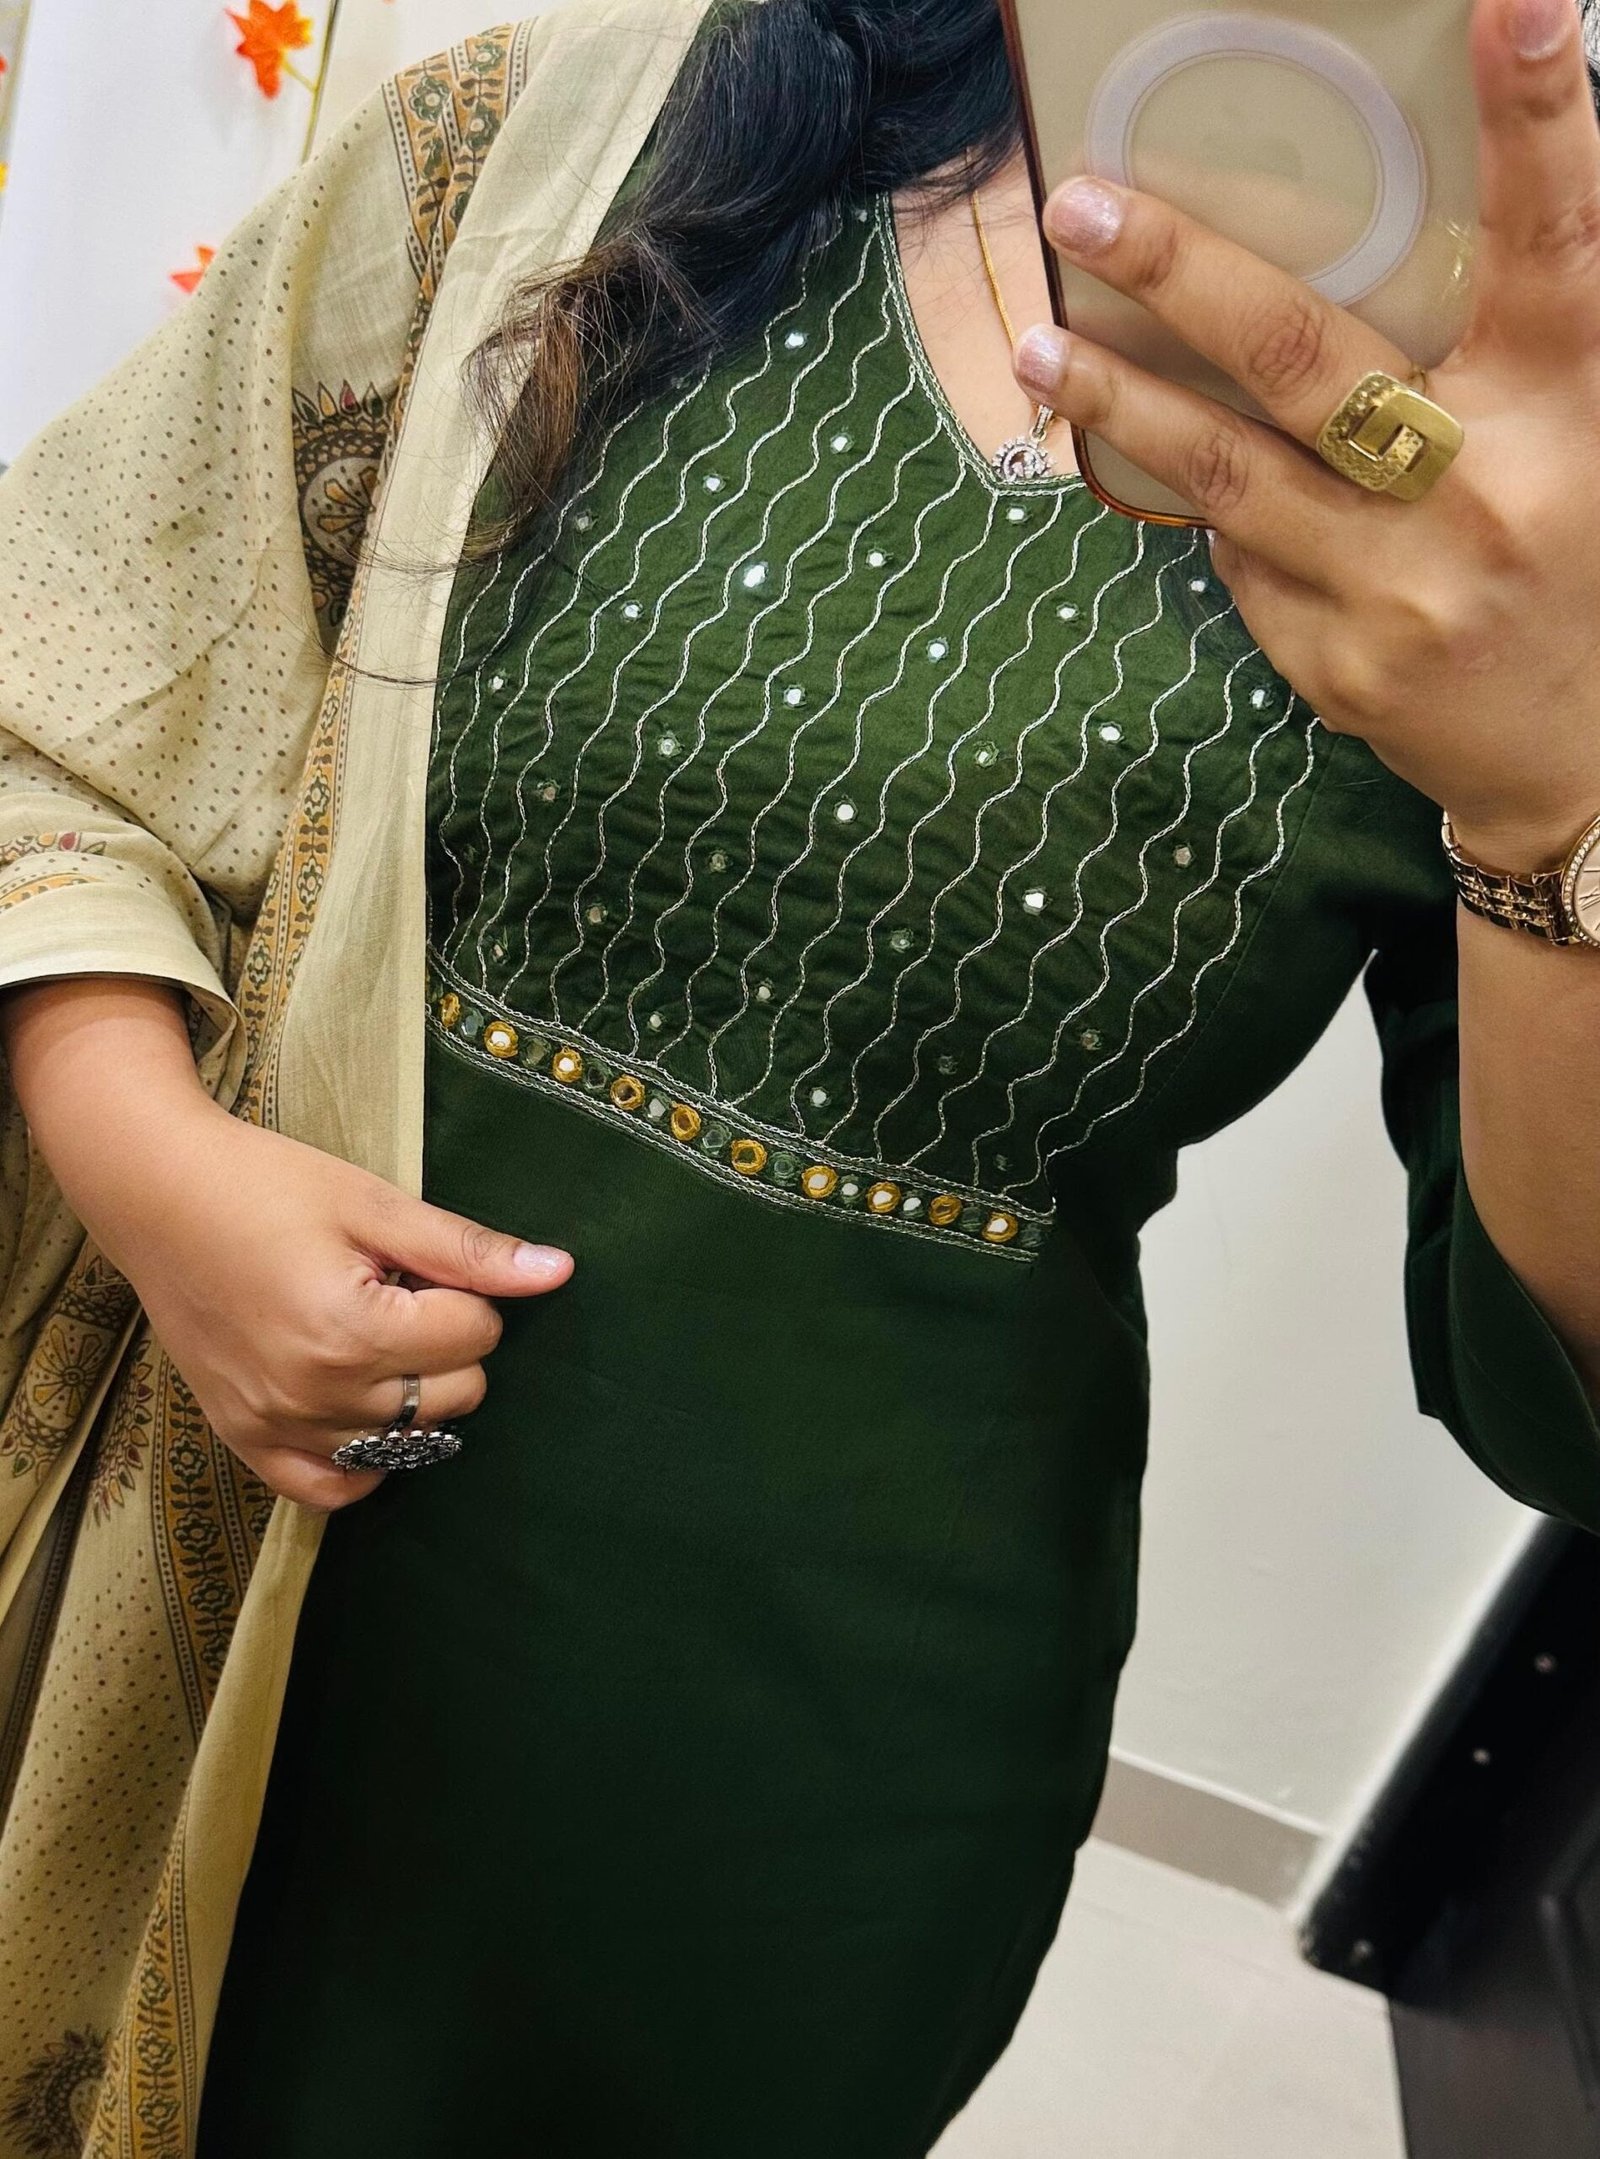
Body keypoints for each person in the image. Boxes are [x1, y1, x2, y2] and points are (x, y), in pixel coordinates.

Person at [1, 0, 1599, 2149]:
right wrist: (141, 1155)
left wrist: (1556, 800)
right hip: (187, 1558)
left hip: (809, 1784)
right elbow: (59, 675)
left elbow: (1560, 1389)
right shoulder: (560, 147)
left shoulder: (1550, 451)